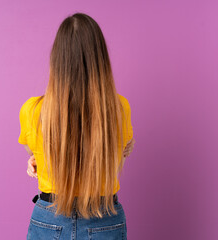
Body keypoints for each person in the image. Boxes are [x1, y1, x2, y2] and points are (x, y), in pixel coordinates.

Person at [18, 12, 135, 240]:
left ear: (56, 59)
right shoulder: (119, 108)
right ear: (100, 57)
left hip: (49, 219)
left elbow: (37, 153)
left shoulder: (32, 110)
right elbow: (120, 153)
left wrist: (37, 160)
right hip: (104, 217)